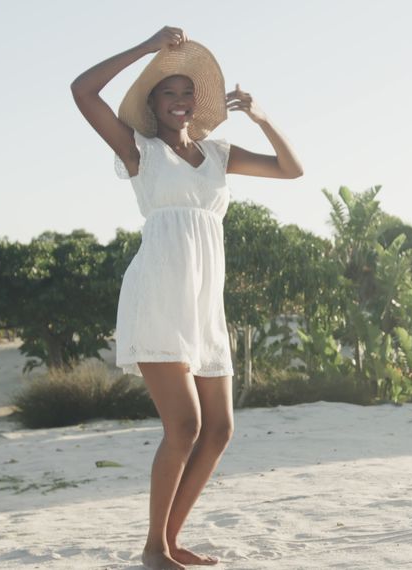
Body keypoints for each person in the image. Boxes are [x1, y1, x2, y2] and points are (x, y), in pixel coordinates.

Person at [70, 26, 303, 570]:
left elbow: (291, 169)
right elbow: (82, 90)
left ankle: (168, 543)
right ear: (151, 104)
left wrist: (262, 117)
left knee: (219, 429)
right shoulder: (139, 152)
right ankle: (155, 548)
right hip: (157, 297)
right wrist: (147, 49)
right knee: (185, 427)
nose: (179, 102)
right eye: (167, 93)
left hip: (203, 304)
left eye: (186, 93)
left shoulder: (219, 153)